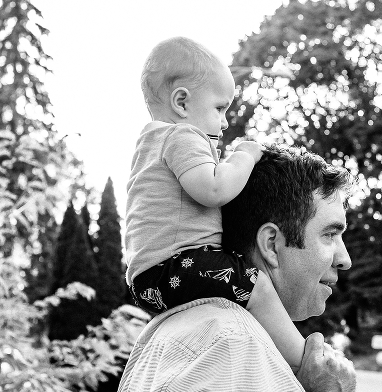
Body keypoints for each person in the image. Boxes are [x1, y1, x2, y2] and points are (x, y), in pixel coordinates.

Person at [101, 144, 356, 392]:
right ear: (272, 244)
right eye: (330, 235)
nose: (345, 258)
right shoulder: (235, 347)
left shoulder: (171, 325)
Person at [124, 36, 305, 372]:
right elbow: (214, 189)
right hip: (177, 266)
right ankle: (303, 360)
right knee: (256, 285)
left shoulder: (148, 144)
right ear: (181, 102)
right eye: (220, 108)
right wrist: (244, 156)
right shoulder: (180, 136)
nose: (223, 122)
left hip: (148, 281)